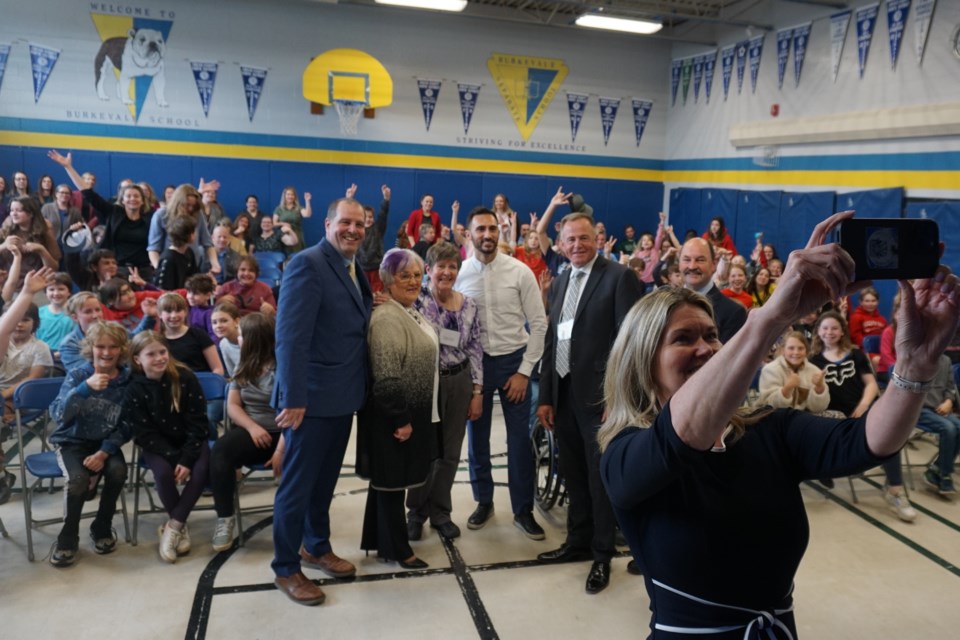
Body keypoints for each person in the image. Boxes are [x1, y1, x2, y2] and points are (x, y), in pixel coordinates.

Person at [598, 211, 960, 638]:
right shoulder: (625, 452)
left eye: (712, 335)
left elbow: (870, 441)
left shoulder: (769, 430)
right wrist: (771, 317)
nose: (706, 349)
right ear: (644, 360)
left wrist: (915, 365)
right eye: (683, 339)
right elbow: (684, 434)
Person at [535, 212, 644, 594]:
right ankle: (576, 542)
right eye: (570, 240)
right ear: (561, 244)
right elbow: (555, 339)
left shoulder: (619, 277)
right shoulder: (563, 278)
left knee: (599, 480)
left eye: (583, 238)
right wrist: (546, 395)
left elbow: (629, 344)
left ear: (597, 238)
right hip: (563, 395)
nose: (577, 245)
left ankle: (602, 554)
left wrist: (617, 399)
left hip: (601, 400)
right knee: (574, 473)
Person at [271, 195, 372, 606]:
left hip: (342, 397)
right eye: (345, 222)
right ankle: (285, 567)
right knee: (296, 487)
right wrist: (293, 397)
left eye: (360, 224)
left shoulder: (353, 268)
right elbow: (290, 337)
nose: (352, 230)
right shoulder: (307, 264)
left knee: (325, 482)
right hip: (308, 402)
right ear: (328, 224)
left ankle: (315, 545)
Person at [454, 206, 547, 539]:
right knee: (477, 439)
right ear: (469, 234)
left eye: (492, 229)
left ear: (500, 231)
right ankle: (484, 502)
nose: (487, 235)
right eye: (480, 229)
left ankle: (523, 510)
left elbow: (539, 324)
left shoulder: (520, 272)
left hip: (514, 363)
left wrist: (525, 372)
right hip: (476, 367)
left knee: (519, 441)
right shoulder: (459, 274)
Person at [357, 249, 438, 569]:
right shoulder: (387, 318)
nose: (413, 281)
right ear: (387, 281)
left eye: (417, 275)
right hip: (392, 418)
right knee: (391, 483)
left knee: (387, 482)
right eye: (404, 275)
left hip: (407, 412)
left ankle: (379, 541)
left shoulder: (407, 309)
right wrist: (401, 419)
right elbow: (387, 376)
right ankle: (397, 550)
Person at [405, 242, 483, 542]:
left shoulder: (470, 305)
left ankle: (440, 513)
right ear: (429, 270)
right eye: (441, 266)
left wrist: (477, 390)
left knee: (450, 453)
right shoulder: (416, 302)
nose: (447, 272)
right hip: (426, 383)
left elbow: (475, 348)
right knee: (424, 451)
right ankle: (415, 513)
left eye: (453, 266)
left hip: (459, 381)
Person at [808, 311, 915, 520]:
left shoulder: (856, 354)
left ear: (842, 331)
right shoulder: (813, 360)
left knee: (890, 436)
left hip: (864, 408)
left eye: (834, 328)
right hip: (834, 413)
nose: (829, 332)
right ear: (818, 332)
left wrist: (865, 404)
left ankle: (895, 491)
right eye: (825, 328)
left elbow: (871, 384)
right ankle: (835, 467)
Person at [48, 322, 132, 566]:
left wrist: (104, 453)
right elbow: (58, 414)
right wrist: (83, 389)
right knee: (78, 482)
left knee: (118, 471)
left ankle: (101, 525)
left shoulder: (127, 381)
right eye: (100, 346)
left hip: (104, 444)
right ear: (90, 347)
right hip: (71, 442)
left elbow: (127, 425)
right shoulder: (78, 375)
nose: (106, 353)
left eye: (113, 347)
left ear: (122, 349)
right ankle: (68, 537)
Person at [122, 331, 211, 563]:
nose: (160, 357)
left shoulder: (184, 377)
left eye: (163, 352)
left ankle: (173, 527)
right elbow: (143, 432)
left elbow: (198, 421)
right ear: (137, 359)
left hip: (190, 440)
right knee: (162, 473)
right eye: (151, 354)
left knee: (201, 471)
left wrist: (187, 458)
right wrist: (174, 457)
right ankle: (179, 524)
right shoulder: (133, 388)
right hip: (157, 444)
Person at [209, 312, 283, 551]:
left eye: (241, 335)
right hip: (254, 432)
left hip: (285, 434)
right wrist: (252, 427)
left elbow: (294, 415)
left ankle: (299, 519)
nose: (237, 338)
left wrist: (282, 446)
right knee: (221, 450)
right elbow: (233, 405)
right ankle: (225, 518)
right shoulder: (244, 364)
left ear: (254, 340)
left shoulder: (283, 367)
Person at [48, 150, 153, 279]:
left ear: (142, 200)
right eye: (128, 196)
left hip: (143, 271)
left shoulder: (149, 218)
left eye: (136, 196)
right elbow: (88, 193)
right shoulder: (114, 212)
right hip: (116, 270)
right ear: (122, 200)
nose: (133, 199)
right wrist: (68, 167)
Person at [0, 267, 54, 505]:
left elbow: (5, 327)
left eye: (27, 320)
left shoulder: (38, 347)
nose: (21, 325)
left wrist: (26, 293)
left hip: (18, 397)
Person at [679, 237, 746, 344]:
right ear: (679, 264)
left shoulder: (733, 313)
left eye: (700, 260)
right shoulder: (664, 306)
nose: (692, 266)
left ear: (714, 265)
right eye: (686, 260)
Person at [147, 183, 221, 278]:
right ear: (177, 202)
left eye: (193, 206)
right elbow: (153, 249)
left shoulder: (198, 214)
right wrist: (160, 270)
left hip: (192, 267)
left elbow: (208, 243)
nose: (190, 209)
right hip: (170, 267)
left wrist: (215, 264)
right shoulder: (161, 215)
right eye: (187, 205)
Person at [916, 354, 960, 495]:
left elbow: (950, 387)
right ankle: (945, 475)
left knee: (958, 427)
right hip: (919, 410)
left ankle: (937, 469)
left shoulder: (946, 360)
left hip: (940, 408)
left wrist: (948, 401)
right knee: (949, 429)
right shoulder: (916, 359)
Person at [758, 331, 830, 412]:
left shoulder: (814, 371)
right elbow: (769, 406)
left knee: (838, 415)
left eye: (801, 348)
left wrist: (819, 387)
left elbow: (819, 408)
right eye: (791, 348)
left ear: (806, 351)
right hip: (776, 418)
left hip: (804, 417)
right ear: (783, 350)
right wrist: (787, 388)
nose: (796, 352)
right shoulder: (770, 370)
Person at [0, 197, 61, 279]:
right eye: (11, 210)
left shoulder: (45, 231)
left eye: (19, 210)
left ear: (31, 213)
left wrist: (41, 250)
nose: (14, 213)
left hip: (35, 282)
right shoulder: (6, 230)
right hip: (7, 283)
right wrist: (3, 245)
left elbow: (54, 268)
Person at [354, 184, 391, 293]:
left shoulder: (378, 228)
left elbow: (383, 214)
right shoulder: (356, 230)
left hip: (376, 267)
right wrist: (349, 198)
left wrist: (386, 199)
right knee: (361, 291)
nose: (367, 219)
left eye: (370, 217)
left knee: (377, 293)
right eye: (364, 217)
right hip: (361, 268)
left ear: (373, 218)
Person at [153, 214, 199, 290]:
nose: (196, 234)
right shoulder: (168, 258)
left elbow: (194, 277)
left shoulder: (189, 252)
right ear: (188, 235)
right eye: (194, 231)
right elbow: (162, 288)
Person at [273, 186, 312, 252]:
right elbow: (274, 223)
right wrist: (283, 223)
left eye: (292, 195)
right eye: (288, 194)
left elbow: (307, 215)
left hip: (297, 235)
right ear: (284, 196)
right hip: (284, 235)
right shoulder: (279, 209)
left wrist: (307, 201)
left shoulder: (298, 208)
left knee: (297, 256)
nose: (290, 196)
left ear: (295, 197)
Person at [212, 302, 242, 376]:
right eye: (214, 322)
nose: (218, 326)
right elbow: (233, 375)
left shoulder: (249, 337)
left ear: (236, 321)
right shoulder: (223, 344)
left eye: (224, 321)